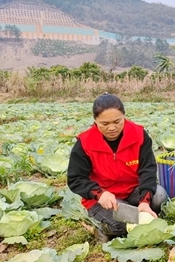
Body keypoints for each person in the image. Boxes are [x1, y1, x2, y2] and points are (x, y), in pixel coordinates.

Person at [67, 93, 168, 241]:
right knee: (122, 226)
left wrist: (145, 202)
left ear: (124, 116)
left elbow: (147, 170)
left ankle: (136, 210)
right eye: (104, 124)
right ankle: (102, 227)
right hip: (103, 198)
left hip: (132, 190)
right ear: (95, 121)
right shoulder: (84, 143)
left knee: (159, 196)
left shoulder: (139, 135)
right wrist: (99, 194)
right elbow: (76, 179)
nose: (112, 128)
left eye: (117, 121)